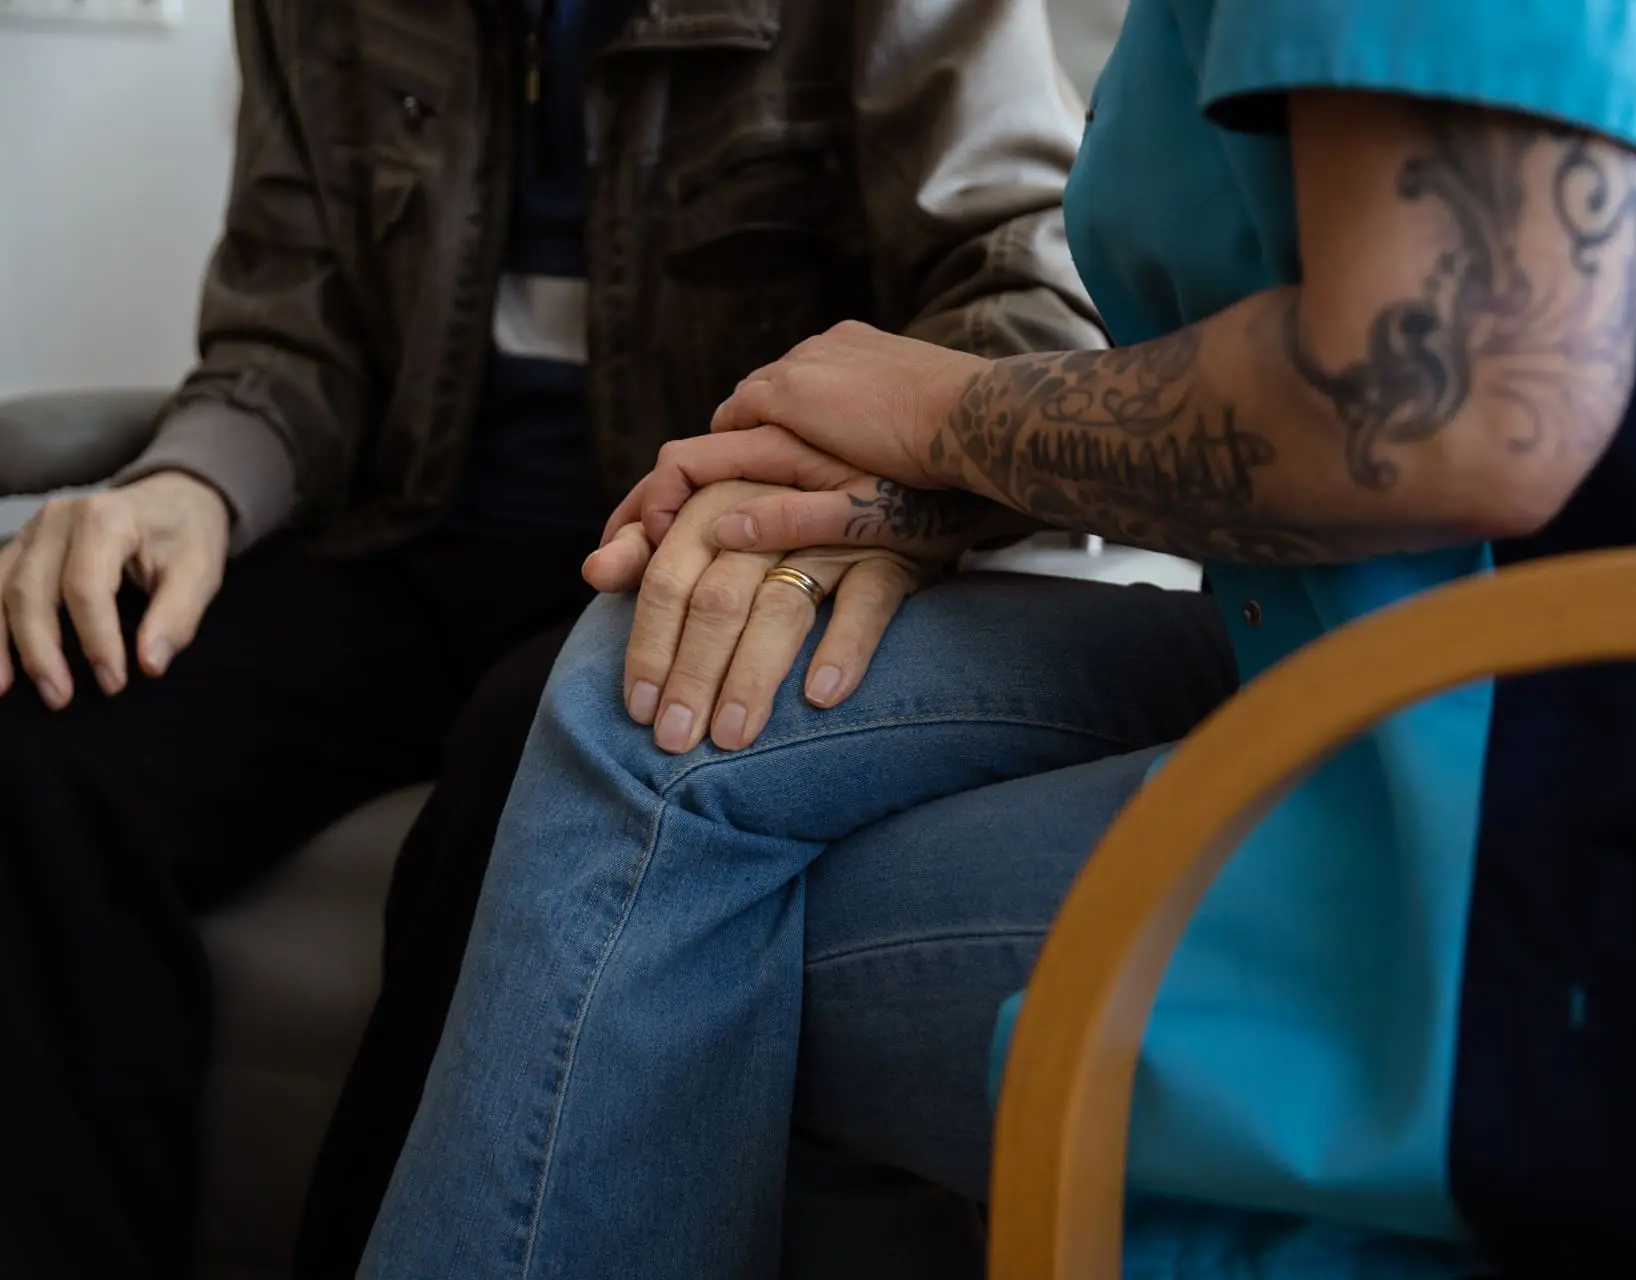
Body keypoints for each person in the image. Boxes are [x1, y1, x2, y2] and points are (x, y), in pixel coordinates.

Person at [364, 0, 1636, 1275]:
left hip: (1630, 790)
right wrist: (938, 478)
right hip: (1366, 645)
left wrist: (954, 413)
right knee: (658, 696)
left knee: (671, 965)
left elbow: (1447, 404)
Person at [0, 0, 1102, 1275]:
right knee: (41, 729)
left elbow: (1027, 286)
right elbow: (290, 342)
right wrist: (186, 482)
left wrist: (865, 505)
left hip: (692, 548)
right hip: (402, 532)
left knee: (537, 754)